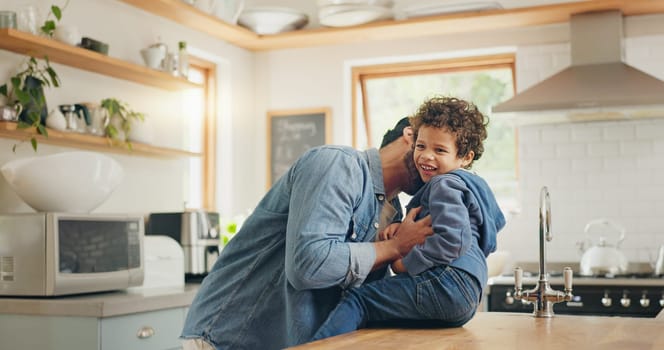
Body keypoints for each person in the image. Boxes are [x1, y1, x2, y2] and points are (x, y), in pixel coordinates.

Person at [180, 117, 434, 350]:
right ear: (410, 135)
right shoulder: (339, 164)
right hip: (229, 338)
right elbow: (309, 265)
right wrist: (394, 248)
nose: (434, 164)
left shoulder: (396, 215)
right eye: (430, 147)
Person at [310, 96, 506, 341]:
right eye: (421, 146)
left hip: (446, 282)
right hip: (467, 294)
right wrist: (399, 230)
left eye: (440, 150)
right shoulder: (471, 190)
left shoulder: (445, 184)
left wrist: (407, 263)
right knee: (380, 314)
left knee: (358, 300)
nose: (426, 156)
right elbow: (473, 237)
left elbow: (452, 241)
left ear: (465, 157)